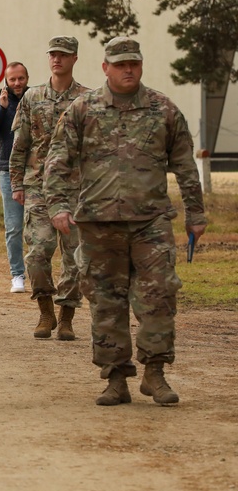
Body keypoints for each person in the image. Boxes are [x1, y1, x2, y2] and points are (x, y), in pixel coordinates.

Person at [44, 37, 208, 407]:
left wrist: (196, 213)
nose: (127, 70)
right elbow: (58, 159)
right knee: (106, 301)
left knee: (159, 295)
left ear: (141, 65)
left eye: (133, 63)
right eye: (119, 64)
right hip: (99, 224)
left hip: (151, 222)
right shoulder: (82, 109)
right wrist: (57, 205)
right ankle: (116, 377)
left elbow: (184, 165)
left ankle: (155, 372)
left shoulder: (162, 109)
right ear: (105, 68)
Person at [10, 36, 89, 340]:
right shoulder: (32, 97)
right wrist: (17, 183)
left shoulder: (86, 99)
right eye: (53, 54)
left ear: (74, 59)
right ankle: (45, 310)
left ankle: (66, 314)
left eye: (64, 55)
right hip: (38, 186)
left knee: (75, 256)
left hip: (75, 189)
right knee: (37, 252)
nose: (57, 59)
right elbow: (21, 143)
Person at [0, 61, 29, 293]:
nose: (17, 83)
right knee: (14, 226)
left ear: (27, 78)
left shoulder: (35, 99)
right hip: (7, 170)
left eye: (21, 78)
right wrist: (2, 108)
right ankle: (17, 275)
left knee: (36, 226)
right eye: (12, 79)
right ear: (6, 81)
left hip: (35, 170)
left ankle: (37, 271)